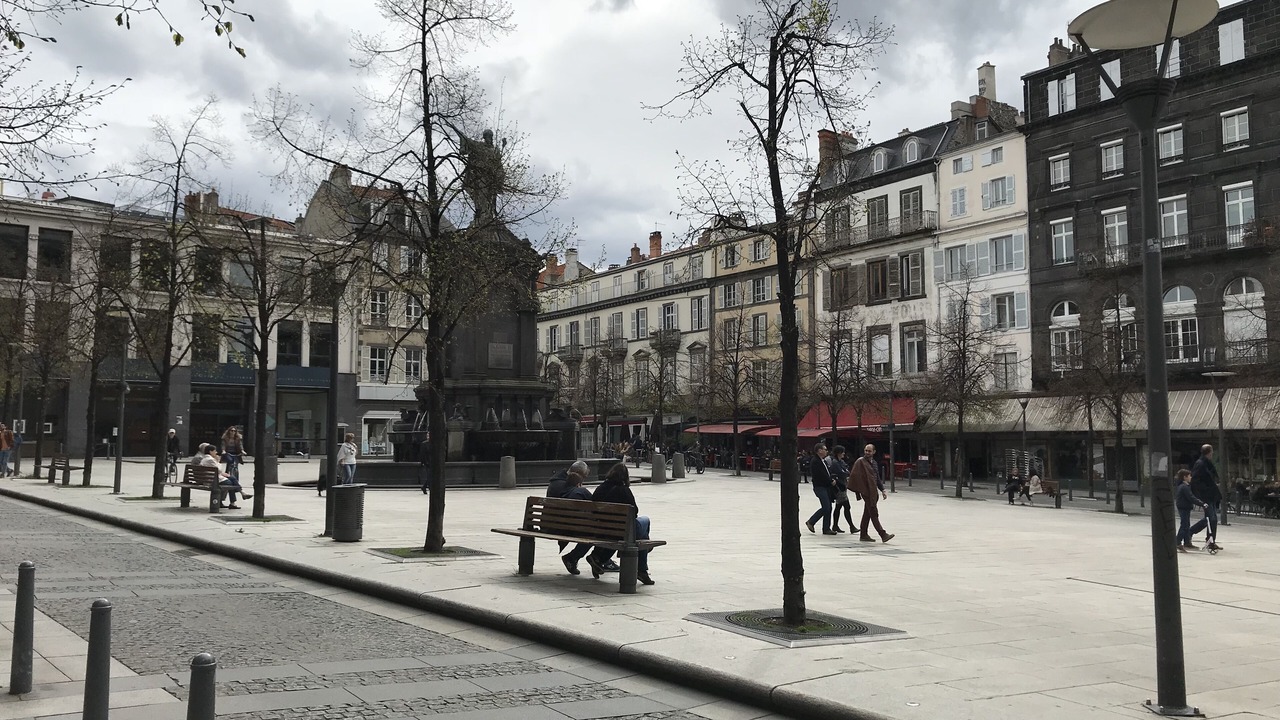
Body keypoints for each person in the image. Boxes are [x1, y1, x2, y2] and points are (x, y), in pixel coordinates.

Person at [585, 463, 655, 585]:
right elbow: (634, 512)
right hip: (623, 530)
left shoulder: (600, 488)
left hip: (604, 529)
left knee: (626, 535)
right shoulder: (624, 490)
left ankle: (598, 557)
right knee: (645, 523)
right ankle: (642, 567)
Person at [849, 443, 894, 543]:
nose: (867, 452)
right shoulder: (860, 462)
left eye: (869, 451)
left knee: (867, 513)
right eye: (866, 450)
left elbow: (876, 478)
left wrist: (882, 490)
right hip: (866, 491)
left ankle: (863, 534)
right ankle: (883, 534)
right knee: (873, 513)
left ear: (874, 452)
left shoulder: (874, 463)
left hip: (873, 491)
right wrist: (860, 489)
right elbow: (855, 476)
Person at [195, 443, 251, 509]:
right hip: (213, 480)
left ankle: (240, 495)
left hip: (210, 479)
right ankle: (235, 500)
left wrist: (222, 473)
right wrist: (218, 461)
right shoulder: (210, 459)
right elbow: (219, 469)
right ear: (210, 451)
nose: (216, 452)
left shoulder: (205, 459)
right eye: (215, 451)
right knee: (231, 483)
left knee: (232, 478)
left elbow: (216, 471)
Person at [1191, 444, 1223, 551]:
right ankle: (1191, 532)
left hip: (1210, 495)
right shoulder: (1200, 464)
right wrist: (1206, 490)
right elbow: (1195, 480)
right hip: (1206, 495)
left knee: (1211, 519)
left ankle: (1210, 541)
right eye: (1212, 451)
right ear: (1209, 452)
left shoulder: (1206, 463)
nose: (1212, 453)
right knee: (1211, 518)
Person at [804, 444, 838, 535]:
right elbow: (821, 475)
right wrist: (830, 481)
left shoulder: (823, 461)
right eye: (825, 449)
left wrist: (832, 478)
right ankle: (811, 521)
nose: (827, 451)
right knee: (826, 507)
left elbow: (827, 473)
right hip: (820, 487)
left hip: (826, 486)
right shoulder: (816, 461)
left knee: (829, 507)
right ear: (819, 450)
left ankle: (826, 528)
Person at [1175, 469, 1209, 552]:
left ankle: (1187, 542)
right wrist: (1202, 503)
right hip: (1184, 507)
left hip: (1184, 507)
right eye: (1189, 476)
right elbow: (1191, 497)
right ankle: (1177, 542)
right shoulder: (1184, 487)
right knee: (1184, 525)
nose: (1191, 477)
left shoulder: (1184, 486)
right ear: (1185, 477)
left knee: (1186, 525)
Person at [828, 445, 855, 534]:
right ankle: (851, 526)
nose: (844, 453)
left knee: (838, 506)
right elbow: (842, 473)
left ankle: (835, 525)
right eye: (842, 452)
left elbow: (846, 471)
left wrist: (845, 472)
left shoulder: (841, 462)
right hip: (839, 487)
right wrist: (845, 473)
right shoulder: (835, 463)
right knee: (847, 506)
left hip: (843, 486)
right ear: (838, 453)